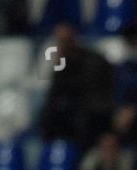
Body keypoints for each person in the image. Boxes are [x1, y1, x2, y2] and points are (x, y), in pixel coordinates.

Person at [38, 22, 114, 151]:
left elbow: (98, 91)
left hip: (94, 112)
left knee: (83, 120)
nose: (62, 45)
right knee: (48, 118)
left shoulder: (93, 60)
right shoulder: (62, 64)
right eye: (59, 41)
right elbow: (54, 94)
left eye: (65, 41)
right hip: (73, 112)